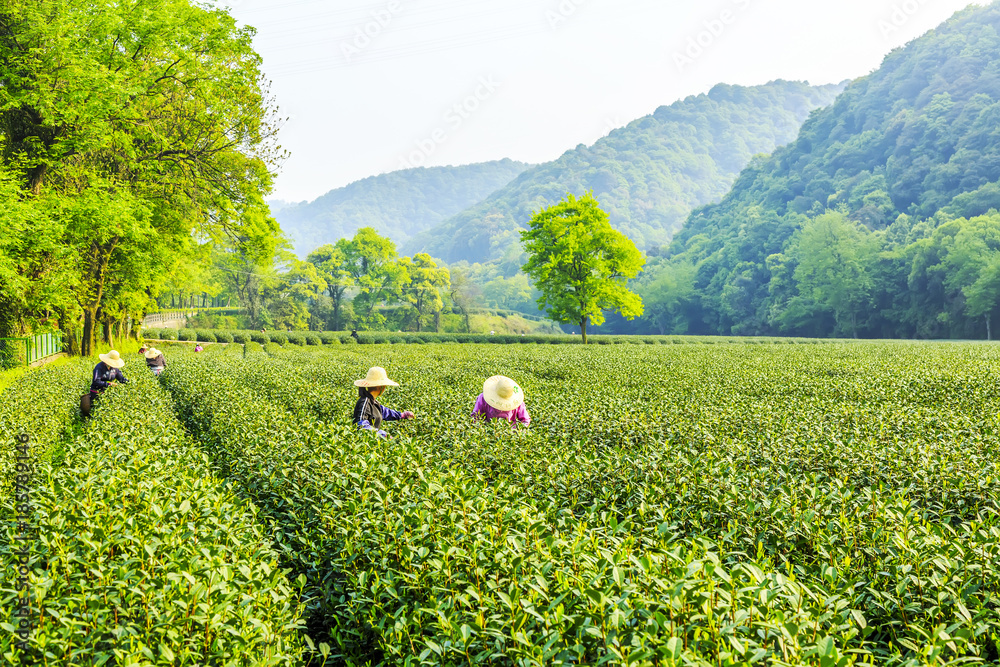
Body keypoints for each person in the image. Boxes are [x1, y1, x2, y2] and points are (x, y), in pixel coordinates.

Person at [352, 367, 414, 438]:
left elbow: (384, 412)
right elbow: (361, 425)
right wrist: (382, 435)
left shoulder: (373, 402)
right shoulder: (364, 402)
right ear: (381, 387)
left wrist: (401, 415)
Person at [83, 350, 129, 417]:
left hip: (108, 393)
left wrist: (129, 383)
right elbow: (96, 381)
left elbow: (121, 378)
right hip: (97, 392)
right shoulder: (99, 368)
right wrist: (109, 384)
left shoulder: (115, 369)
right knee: (96, 412)